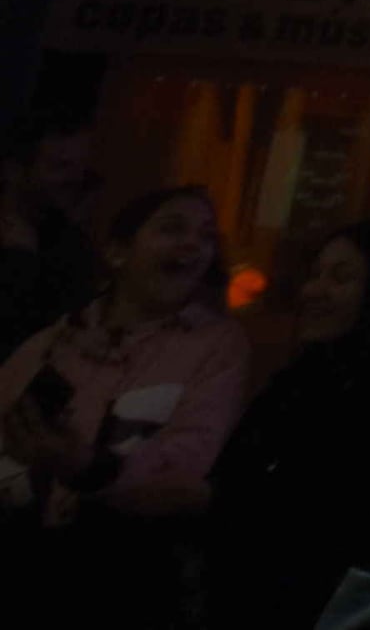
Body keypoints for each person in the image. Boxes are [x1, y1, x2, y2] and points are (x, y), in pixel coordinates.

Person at [0, 182, 247, 612]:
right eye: (173, 228)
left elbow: (190, 458)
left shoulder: (216, 344)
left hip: (125, 573)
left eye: (206, 235)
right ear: (118, 253)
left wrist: (88, 467)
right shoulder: (61, 336)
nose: (193, 243)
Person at [201, 219, 370, 630]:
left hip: (330, 602)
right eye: (315, 275)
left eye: (341, 277)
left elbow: (349, 510)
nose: (314, 291)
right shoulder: (304, 372)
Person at [0, 121, 99, 361]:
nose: (75, 179)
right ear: (13, 170)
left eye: (80, 168)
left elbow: (60, 339)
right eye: (60, 166)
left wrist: (22, 260)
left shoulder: (73, 249)